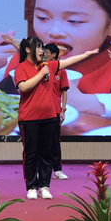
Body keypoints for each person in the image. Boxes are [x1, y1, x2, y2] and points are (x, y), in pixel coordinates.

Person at [16, 36, 100, 200]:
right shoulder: (22, 68)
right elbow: (23, 87)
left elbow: (68, 62)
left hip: (49, 117)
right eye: (39, 47)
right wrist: (41, 74)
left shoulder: (49, 66)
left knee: (47, 153)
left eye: (42, 48)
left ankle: (44, 186)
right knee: (31, 153)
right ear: (28, 50)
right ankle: (31, 186)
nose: (42, 51)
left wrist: (86, 55)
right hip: (29, 118)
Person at [43, 43, 69, 180]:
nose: (44, 54)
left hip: (55, 110)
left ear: (54, 55)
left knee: (54, 142)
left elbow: (64, 91)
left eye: (46, 52)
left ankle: (57, 170)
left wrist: (63, 110)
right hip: (41, 110)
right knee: (41, 142)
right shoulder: (41, 68)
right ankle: (40, 170)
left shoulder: (61, 71)